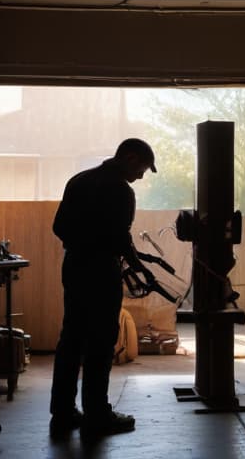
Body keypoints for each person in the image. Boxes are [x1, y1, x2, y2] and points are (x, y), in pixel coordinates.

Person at [49, 138, 157, 438]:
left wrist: (82, 242)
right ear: (131, 158)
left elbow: (58, 227)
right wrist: (141, 269)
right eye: (142, 169)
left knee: (71, 339)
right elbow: (121, 239)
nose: (141, 176)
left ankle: (62, 412)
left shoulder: (79, 181)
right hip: (101, 271)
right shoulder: (122, 191)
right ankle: (97, 415)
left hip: (74, 266)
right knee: (100, 343)